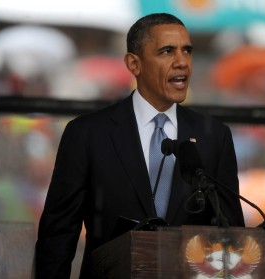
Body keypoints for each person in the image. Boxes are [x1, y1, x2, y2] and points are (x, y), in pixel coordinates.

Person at [35, 13, 245, 279]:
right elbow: (58, 234)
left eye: (187, 50)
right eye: (167, 51)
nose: (182, 62)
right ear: (134, 63)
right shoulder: (86, 134)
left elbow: (231, 232)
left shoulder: (215, 136)